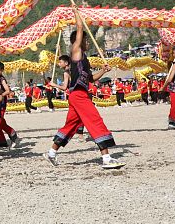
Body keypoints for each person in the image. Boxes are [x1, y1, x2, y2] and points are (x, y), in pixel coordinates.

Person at [46, 15, 124, 169]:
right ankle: (107, 158)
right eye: (86, 40)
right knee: (95, 120)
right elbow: (80, 29)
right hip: (79, 96)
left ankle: (51, 152)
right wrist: (76, 13)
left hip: (78, 95)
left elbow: (91, 78)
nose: (87, 43)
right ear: (79, 41)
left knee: (71, 125)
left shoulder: (84, 60)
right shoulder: (76, 52)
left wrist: (103, 70)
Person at [0, 61, 20, 146]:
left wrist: (0, 95)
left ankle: (11, 133)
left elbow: (7, 90)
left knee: (0, 121)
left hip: (1, 103)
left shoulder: (2, 79)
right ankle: (11, 134)